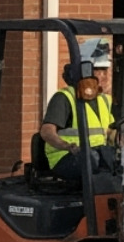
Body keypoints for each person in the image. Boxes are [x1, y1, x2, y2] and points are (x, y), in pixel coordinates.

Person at [39, 41, 116, 181]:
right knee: (91, 159)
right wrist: (67, 146)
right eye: (99, 70)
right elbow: (46, 131)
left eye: (106, 70)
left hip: (96, 154)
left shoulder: (105, 100)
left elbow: (110, 132)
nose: (105, 76)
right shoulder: (65, 97)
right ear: (85, 71)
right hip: (66, 157)